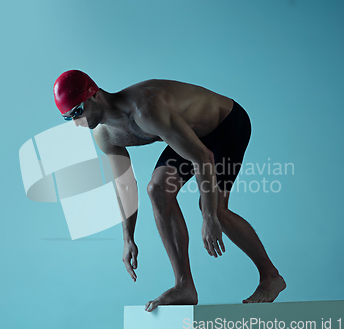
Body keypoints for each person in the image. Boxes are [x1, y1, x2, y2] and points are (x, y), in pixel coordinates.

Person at [53, 70, 286, 312]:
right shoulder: (104, 135)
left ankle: (271, 276)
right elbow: (125, 186)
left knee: (217, 210)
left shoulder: (145, 108)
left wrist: (208, 217)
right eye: (69, 118)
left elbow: (203, 158)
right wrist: (128, 238)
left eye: (78, 111)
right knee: (157, 190)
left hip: (225, 124)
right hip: (190, 133)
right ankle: (184, 286)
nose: (78, 122)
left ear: (94, 95)